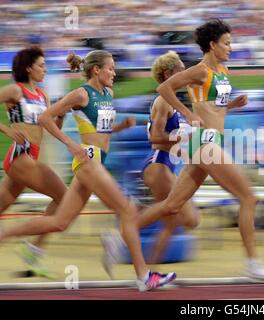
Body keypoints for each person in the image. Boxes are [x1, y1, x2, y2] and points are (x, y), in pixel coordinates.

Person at [0, 50, 175, 291]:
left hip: (96, 161)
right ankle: (144, 276)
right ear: (97, 70)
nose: (114, 73)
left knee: (60, 222)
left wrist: (119, 127)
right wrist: (71, 144)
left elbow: (99, 129)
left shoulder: (107, 94)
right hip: (87, 160)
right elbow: (46, 119)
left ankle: (5, 235)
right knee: (127, 210)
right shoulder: (81, 94)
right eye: (111, 68)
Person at [136, 19, 264, 281]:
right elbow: (164, 88)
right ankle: (253, 264)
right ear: (213, 45)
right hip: (204, 142)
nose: (231, 47)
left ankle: (121, 234)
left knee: (172, 204)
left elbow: (212, 109)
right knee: (249, 197)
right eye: (226, 43)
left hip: (204, 142)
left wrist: (232, 106)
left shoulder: (222, 71)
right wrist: (185, 113)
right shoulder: (201, 70)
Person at [102, 51, 199, 272]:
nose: (185, 73)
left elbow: (167, 139)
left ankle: (150, 271)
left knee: (172, 221)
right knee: (189, 218)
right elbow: (154, 138)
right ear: (168, 74)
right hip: (158, 164)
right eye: (180, 70)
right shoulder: (164, 101)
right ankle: (119, 235)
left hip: (164, 164)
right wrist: (183, 137)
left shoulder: (170, 102)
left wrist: (184, 150)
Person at [0, 46, 67, 276]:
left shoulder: (43, 95)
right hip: (20, 156)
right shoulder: (14, 91)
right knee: (64, 197)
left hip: (32, 155)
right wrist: (7, 131)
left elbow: (51, 129)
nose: (45, 70)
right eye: (41, 65)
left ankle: (33, 250)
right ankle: (34, 250)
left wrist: (61, 114)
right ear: (29, 68)